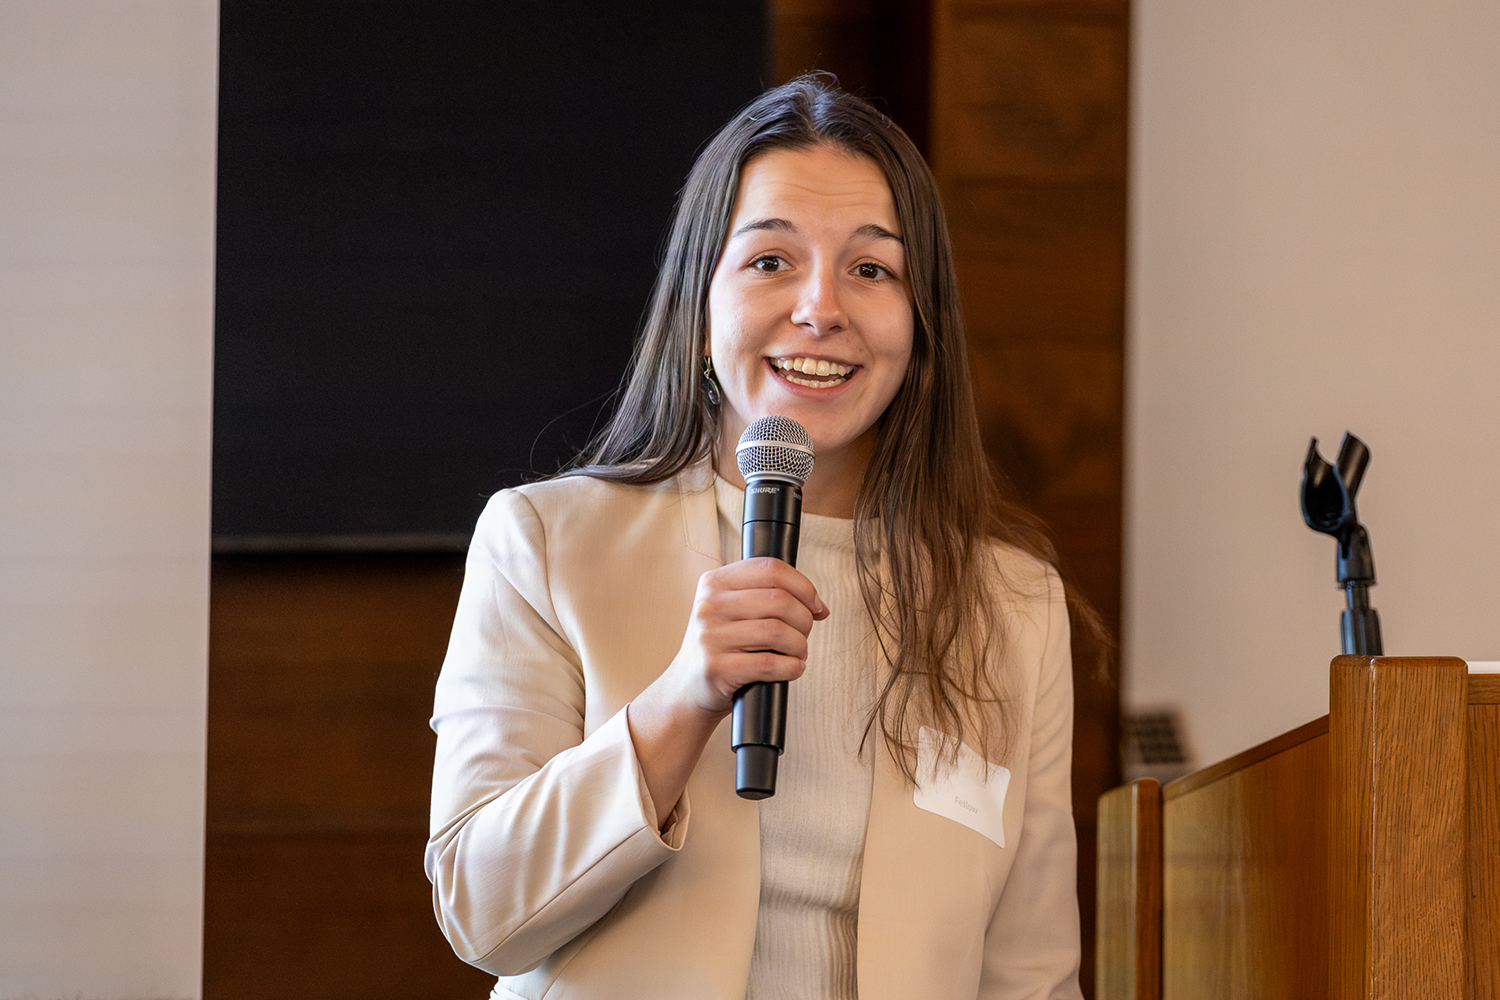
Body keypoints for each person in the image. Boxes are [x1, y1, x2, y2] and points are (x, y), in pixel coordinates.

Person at [426, 76, 1088, 1000]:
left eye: (871, 269)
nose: (821, 309)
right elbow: (479, 909)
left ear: (921, 326)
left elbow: (1033, 970)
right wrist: (682, 698)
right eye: (771, 261)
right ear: (701, 306)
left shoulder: (1012, 604)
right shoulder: (548, 541)